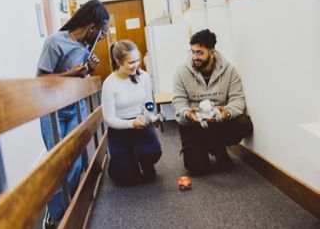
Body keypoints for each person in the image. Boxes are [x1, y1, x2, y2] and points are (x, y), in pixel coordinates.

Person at [36, 0, 109, 228]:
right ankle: (55, 214)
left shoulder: (87, 46)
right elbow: (39, 80)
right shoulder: (54, 42)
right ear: (91, 27)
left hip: (77, 107)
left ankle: (66, 210)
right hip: (53, 111)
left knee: (76, 161)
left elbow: (81, 78)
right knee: (60, 164)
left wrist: (88, 71)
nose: (101, 38)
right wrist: (70, 73)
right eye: (101, 33)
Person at [172, 29, 253, 176]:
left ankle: (218, 147)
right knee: (198, 169)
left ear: (212, 52)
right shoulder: (181, 71)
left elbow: (238, 99)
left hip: (218, 122)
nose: (195, 57)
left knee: (244, 124)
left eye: (200, 53)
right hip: (194, 125)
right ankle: (212, 148)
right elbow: (179, 101)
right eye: (192, 52)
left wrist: (226, 112)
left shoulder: (229, 71)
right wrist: (187, 114)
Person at [101, 40, 162, 186]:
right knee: (127, 179)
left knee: (154, 153)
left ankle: (143, 160)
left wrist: (149, 116)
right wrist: (131, 123)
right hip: (119, 128)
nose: (136, 65)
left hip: (140, 122)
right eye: (131, 62)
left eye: (137, 60)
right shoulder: (109, 84)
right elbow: (109, 119)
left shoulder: (144, 76)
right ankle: (118, 163)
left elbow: (148, 103)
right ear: (118, 62)